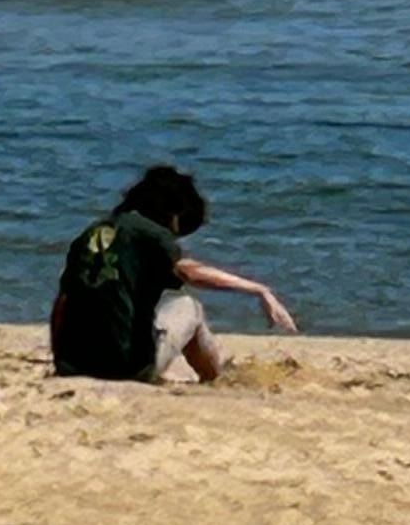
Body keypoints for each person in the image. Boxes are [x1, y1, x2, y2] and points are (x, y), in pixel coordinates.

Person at [50, 163, 298, 383]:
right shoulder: (151, 233)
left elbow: (62, 304)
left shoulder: (91, 233)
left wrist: (61, 360)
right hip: (125, 369)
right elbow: (190, 272)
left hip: (72, 366)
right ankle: (213, 378)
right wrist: (258, 290)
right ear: (173, 214)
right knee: (189, 307)